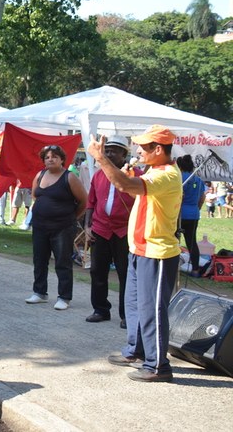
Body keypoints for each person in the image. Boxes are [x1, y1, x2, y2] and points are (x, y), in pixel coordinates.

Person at [88, 125, 182, 383]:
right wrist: (122, 175)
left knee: (151, 310)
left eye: (143, 146)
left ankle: (158, 365)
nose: (138, 150)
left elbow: (124, 184)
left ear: (158, 149)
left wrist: (101, 158)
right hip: (140, 249)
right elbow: (126, 186)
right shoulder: (156, 171)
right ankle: (137, 351)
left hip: (157, 253)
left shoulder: (166, 175)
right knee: (134, 306)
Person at [84, 135, 139, 328]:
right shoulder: (99, 175)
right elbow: (91, 202)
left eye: (113, 151)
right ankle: (100, 310)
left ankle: (127, 315)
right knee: (97, 271)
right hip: (100, 229)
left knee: (126, 274)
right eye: (106, 150)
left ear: (124, 154)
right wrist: (88, 226)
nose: (108, 154)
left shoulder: (136, 175)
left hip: (125, 231)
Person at [25, 145, 87, 310]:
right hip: (40, 226)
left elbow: (83, 201)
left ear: (62, 160)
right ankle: (39, 292)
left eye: (54, 156)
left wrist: (72, 217)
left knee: (62, 261)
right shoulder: (40, 175)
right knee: (39, 260)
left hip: (62, 227)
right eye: (47, 157)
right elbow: (35, 196)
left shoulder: (70, 177)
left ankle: (64, 297)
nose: (50, 159)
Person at [177, 155, 206, 278]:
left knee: (173, 241)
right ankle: (195, 270)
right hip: (193, 214)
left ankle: (173, 268)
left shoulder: (180, 178)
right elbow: (202, 197)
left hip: (179, 214)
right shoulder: (198, 180)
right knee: (192, 242)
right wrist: (196, 208)